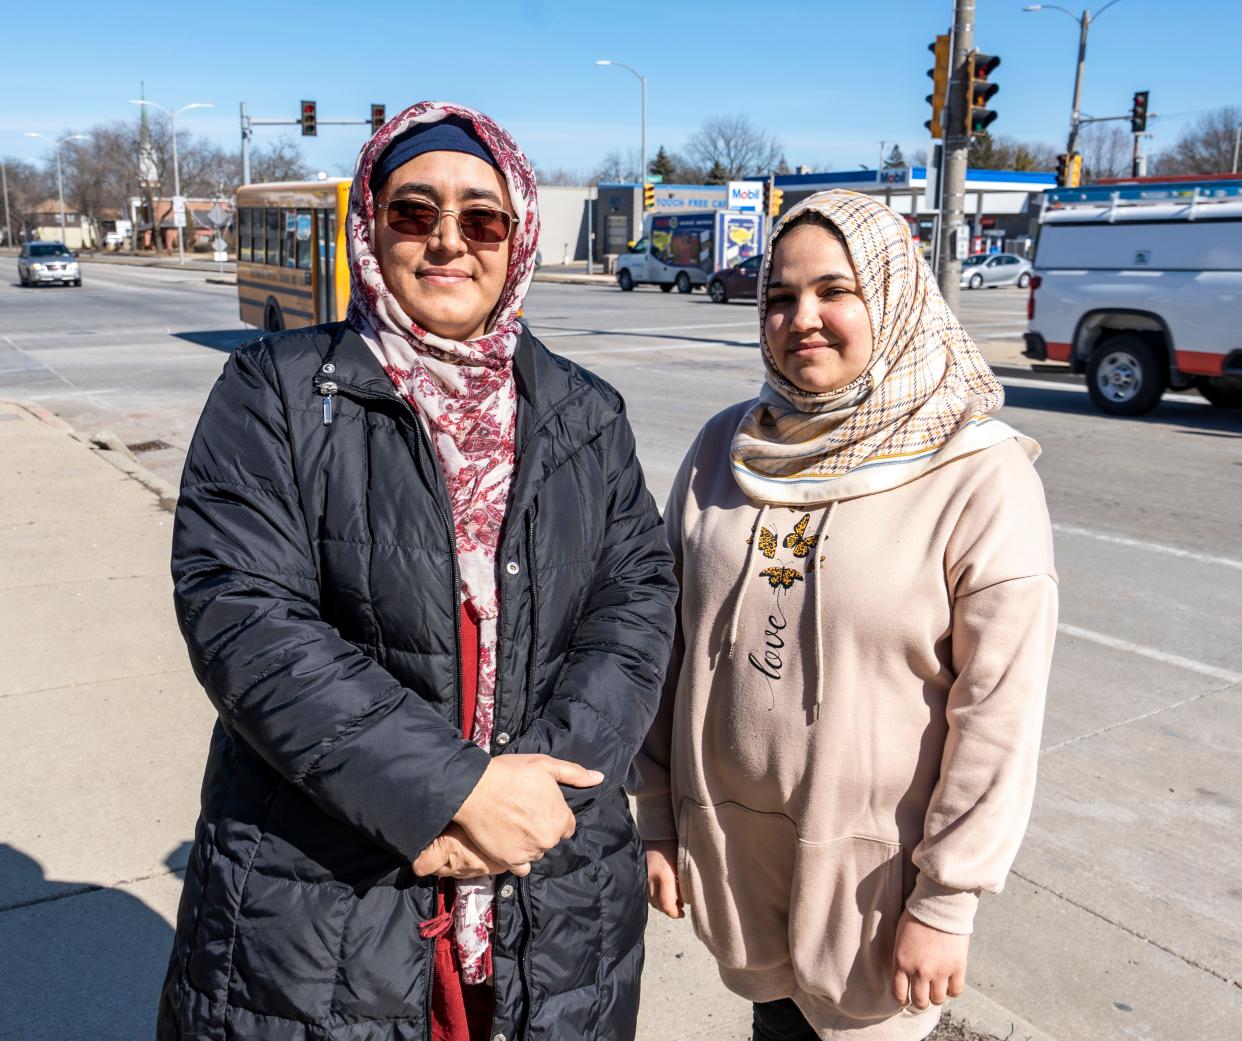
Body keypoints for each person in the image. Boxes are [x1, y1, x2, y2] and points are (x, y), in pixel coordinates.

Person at [156, 101, 677, 1041]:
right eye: (413, 212)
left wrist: (541, 794)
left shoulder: (586, 413)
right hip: (327, 892)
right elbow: (244, 614)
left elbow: (636, 602)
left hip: (549, 886)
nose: (448, 242)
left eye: (482, 218)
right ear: (370, 225)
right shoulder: (275, 388)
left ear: (518, 240)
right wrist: (454, 790)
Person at [631, 190, 1058, 1041]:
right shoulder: (727, 446)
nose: (803, 319)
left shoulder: (978, 474)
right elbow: (664, 644)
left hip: (875, 897)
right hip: (736, 870)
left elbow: (997, 714)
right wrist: (655, 812)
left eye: (835, 291)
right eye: (781, 298)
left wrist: (946, 902)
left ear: (893, 296)